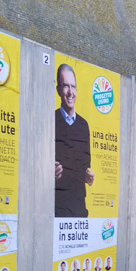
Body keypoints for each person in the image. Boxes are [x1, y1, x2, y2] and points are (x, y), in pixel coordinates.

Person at [54, 63, 93, 217]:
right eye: (65, 86)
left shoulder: (84, 125)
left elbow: (86, 168)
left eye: (73, 87)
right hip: (57, 207)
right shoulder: (51, 120)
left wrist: (88, 176)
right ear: (58, 90)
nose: (70, 92)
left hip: (79, 208)